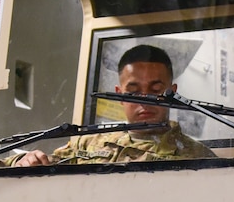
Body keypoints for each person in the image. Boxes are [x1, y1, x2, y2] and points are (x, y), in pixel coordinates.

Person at [13, 44, 215, 165]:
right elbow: (41, 168)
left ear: (173, 93)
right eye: (134, 92)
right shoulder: (86, 144)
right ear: (120, 95)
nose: (144, 100)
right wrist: (24, 161)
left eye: (155, 90)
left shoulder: (198, 157)